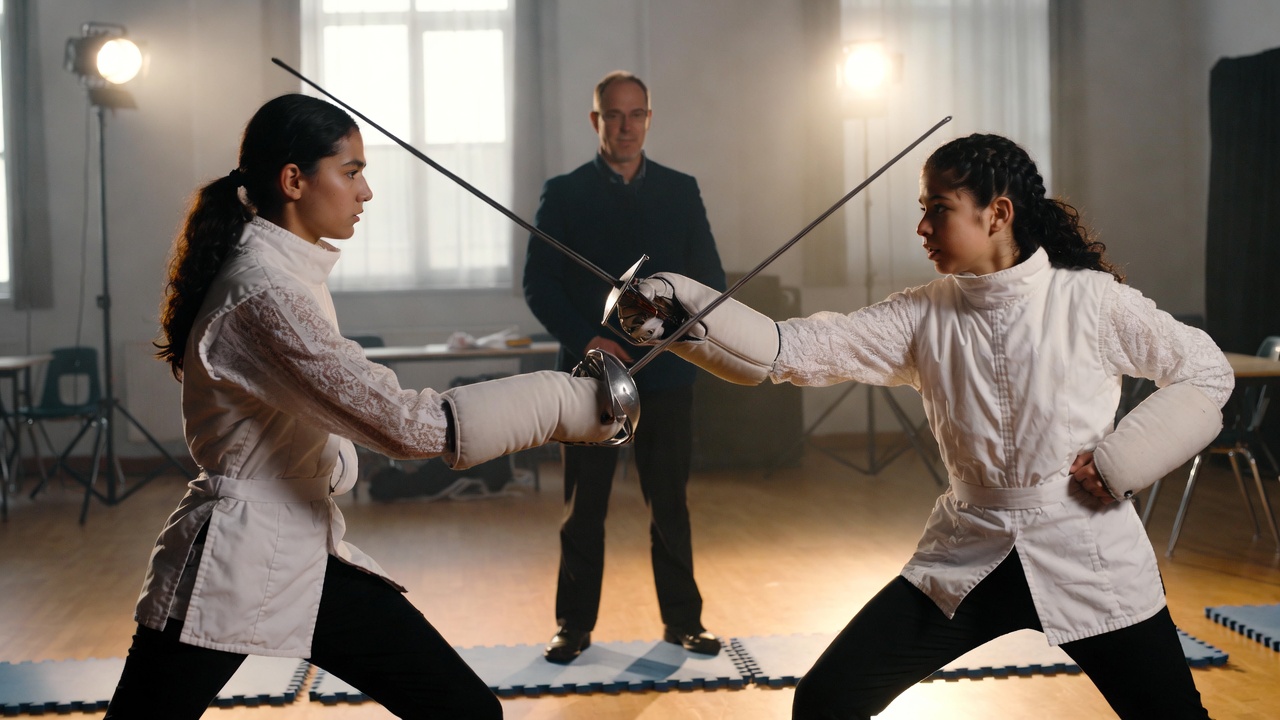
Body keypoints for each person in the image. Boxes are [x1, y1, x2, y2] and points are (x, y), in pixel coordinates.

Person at [615, 133, 1232, 719]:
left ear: (997, 213)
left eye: (939, 208)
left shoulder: (1092, 301)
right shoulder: (920, 315)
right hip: (969, 552)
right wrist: (677, 307)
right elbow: (784, 350)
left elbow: (1206, 371)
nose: (922, 227)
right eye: (922, 208)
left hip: (1090, 555)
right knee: (826, 700)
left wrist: (1122, 462)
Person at [104, 93, 630, 719]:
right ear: (293, 181)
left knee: (465, 712)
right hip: (236, 560)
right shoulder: (262, 294)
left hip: (303, 546)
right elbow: (406, 426)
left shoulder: (286, 275)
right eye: (351, 172)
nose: (365, 192)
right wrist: (563, 402)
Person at [522, 70, 728, 663]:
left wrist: (679, 330)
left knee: (670, 502)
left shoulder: (681, 189)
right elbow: (540, 285)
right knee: (584, 506)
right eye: (614, 115)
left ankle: (684, 622)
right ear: (596, 121)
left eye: (636, 114)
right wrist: (590, 338)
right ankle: (573, 625)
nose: (626, 125)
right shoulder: (562, 193)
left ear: (648, 119)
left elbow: (708, 277)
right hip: (591, 376)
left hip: (668, 373)